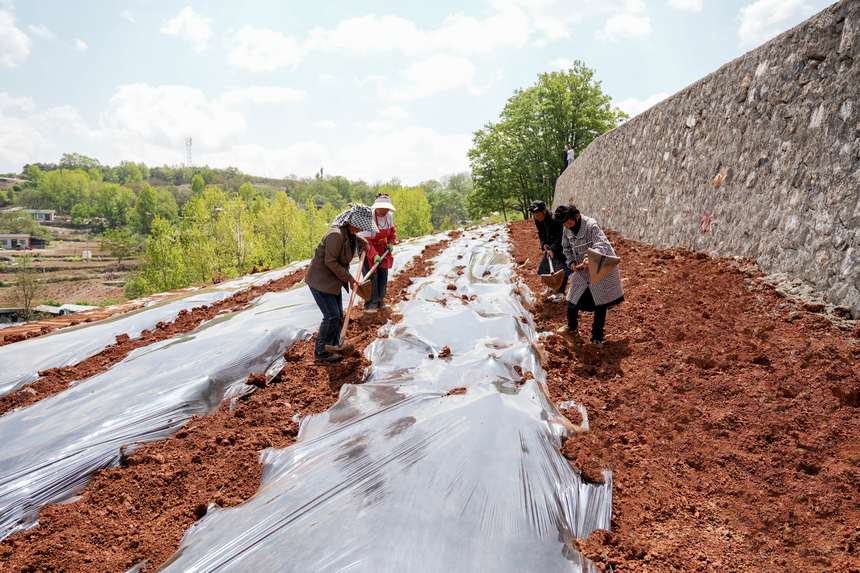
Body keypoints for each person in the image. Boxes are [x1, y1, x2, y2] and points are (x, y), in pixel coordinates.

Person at [305, 203, 374, 362]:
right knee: (331, 316)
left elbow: (354, 238)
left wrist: (364, 243)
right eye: (360, 227)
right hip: (321, 282)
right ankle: (321, 351)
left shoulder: (347, 232)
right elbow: (331, 262)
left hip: (332, 282)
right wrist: (350, 278)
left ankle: (335, 346)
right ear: (353, 222)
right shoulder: (335, 234)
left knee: (338, 315)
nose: (360, 230)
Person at [553, 204, 624, 348]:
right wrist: (572, 263)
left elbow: (602, 243)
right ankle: (571, 327)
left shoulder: (591, 225)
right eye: (564, 224)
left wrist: (591, 257)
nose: (566, 226)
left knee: (600, 303)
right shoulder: (567, 229)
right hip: (582, 270)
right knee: (573, 299)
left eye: (568, 222)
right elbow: (566, 248)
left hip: (600, 267)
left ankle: (596, 338)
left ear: (577, 216)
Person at [359, 193, 398, 313]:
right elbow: (366, 241)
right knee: (371, 276)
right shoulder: (368, 217)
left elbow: (392, 231)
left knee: (383, 274)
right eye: (382, 208)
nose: (384, 211)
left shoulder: (389, 216)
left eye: (386, 208)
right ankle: (370, 304)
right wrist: (374, 255)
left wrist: (391, 243)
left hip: (382, 247)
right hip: (366, 247)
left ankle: (380, 300)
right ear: (376, 207)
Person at [528, 199, 567, 301]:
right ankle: (551, 288)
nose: (537, 217)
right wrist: (544, 244)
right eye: (535, 216)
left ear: (544, 211)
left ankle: (560, 293)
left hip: (561, 247)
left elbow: (561, 235)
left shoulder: (555, 219)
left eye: (538, 215)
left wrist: (553, 248)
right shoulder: (538, 220)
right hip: (550, 247)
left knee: (561, 270)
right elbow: (540, 234)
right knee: (546, 267)